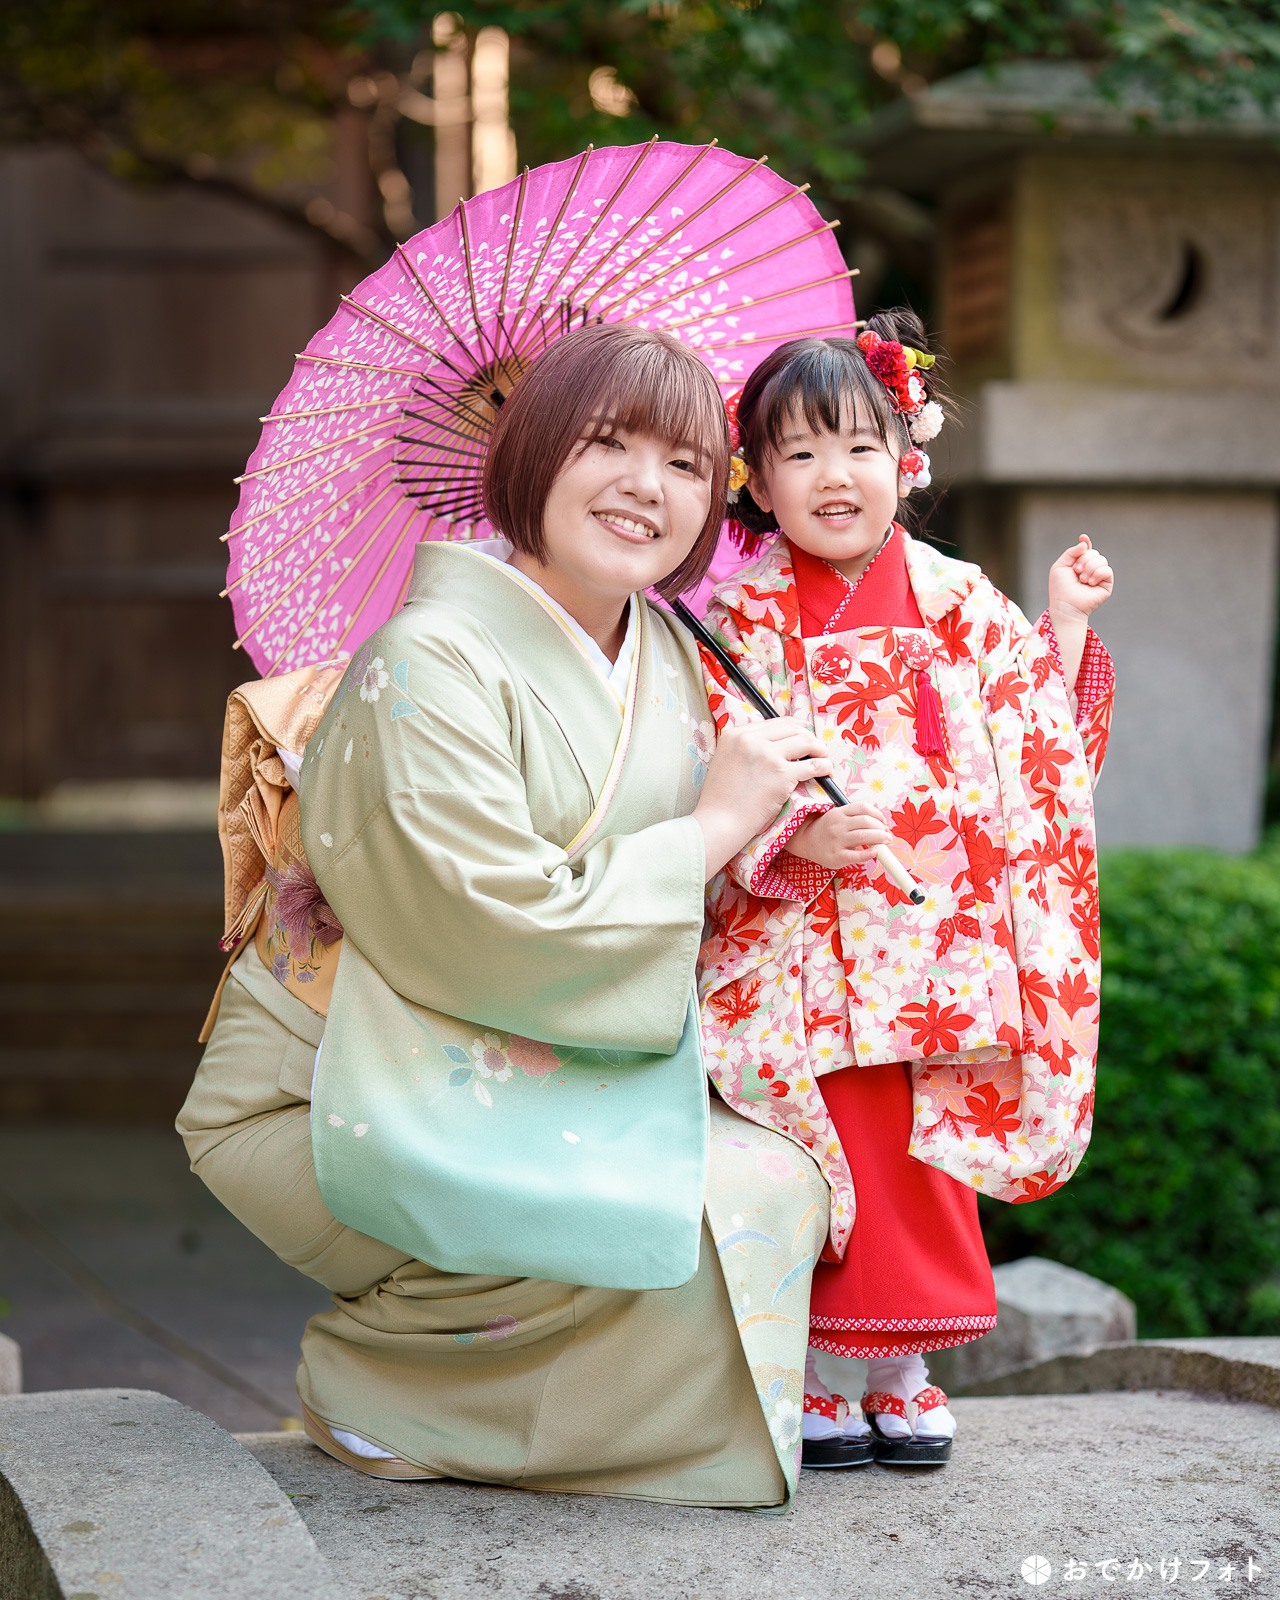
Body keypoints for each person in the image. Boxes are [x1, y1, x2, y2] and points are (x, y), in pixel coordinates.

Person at [179, 322, 837, 1509]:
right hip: (338, 1080)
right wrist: (709, 829)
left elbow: (692, 883)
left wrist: (788, 829)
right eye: (607, 442)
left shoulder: (671, 660)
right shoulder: (423, 662)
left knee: (775, 1178)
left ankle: (489, 1406)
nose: (648, 485)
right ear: (530, 453)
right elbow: (490, 920)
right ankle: (384, 1393)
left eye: (688, 463)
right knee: (673, 1207)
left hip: (511, 1053)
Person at [695, 313, 1115, 1469]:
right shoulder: (739, 619)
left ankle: (906, 1371)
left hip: (938, 940)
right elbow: (715, 758)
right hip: (809, 944)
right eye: (799, 452)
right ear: (756, 483)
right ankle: (823, 1373)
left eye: (857, 445)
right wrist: (793, 835)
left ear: (904, 457)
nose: (834, 475)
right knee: (831, 1148)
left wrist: (1065, 624)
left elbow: (1038, 748)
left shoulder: (958, 598)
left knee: (926, 1147)